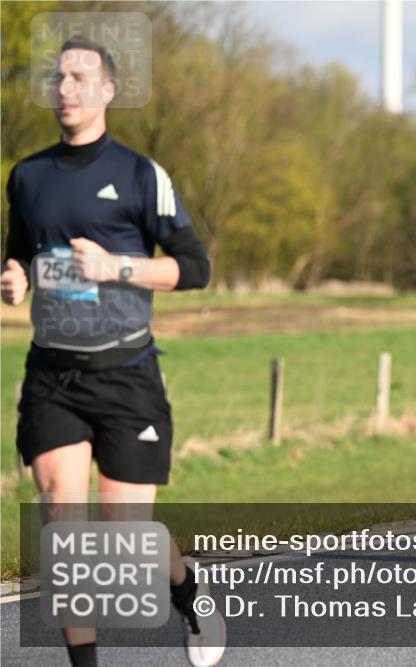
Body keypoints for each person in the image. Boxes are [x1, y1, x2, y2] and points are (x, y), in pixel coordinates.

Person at [1, 37, 224, 666]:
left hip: (127, 375)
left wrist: (114, 267)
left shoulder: (139, 174)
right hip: (53, 377)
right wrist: (12, 280)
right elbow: (18, 257)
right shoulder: (27, 176)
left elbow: (196, 268)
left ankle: (192, 594)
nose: (65, 87)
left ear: (107, 92)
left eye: (79, 77)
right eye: (58, 77)